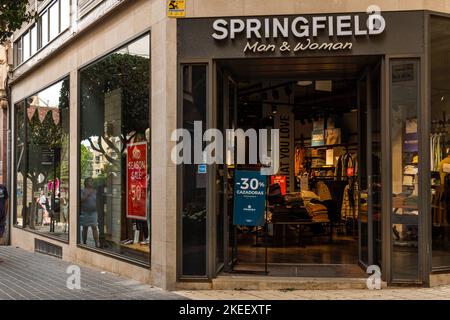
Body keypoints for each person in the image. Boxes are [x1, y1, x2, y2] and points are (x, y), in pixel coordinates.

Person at [80, 177, 99, 247]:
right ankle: (84, 242)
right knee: (85, 227)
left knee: (94, 227)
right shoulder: (82, 190)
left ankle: (97, 243)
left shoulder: (95, 191)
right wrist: (87, 195)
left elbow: (97, 200)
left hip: (94, 212)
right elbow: (80, 200)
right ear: (86, 182)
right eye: (89, 181)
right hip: (85, 212)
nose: (90, 182)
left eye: (91, 181)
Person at [0, 184, 8, 262]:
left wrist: (5, 213)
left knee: (0, 234)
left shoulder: (3, 188)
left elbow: (6, 200)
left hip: (2, 216)